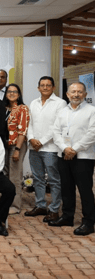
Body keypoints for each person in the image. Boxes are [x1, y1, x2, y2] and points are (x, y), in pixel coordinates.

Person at [50, 83, 95, 236]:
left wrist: (74, 149)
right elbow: (55, 132)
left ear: (85, 94)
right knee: (66, 188)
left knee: (85, 190)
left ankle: (89, 222)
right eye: (73, 91)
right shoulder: (62, 112)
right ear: (67, 94)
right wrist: (65, 149)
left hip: (83, 157)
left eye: (79, 92)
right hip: (64, 155)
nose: (76, 94)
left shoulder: (92, 111)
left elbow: (92, 134)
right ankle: (67, 217)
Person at [25, 76, 66, 222]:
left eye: (48, 85)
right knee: (38, 178)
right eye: (42, 85)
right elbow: (29, 123)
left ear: (53, 87)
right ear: (38, 87)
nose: (45, 87)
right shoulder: (34, 103)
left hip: (51, 148)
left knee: (54, 180)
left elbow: (57, 126)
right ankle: (41, 205)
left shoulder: (60, 103)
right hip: (34, 148)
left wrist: (41, 141)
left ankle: (54, 210)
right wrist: (31, 138)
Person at [2, 84, 30, 215]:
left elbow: (22, 130)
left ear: (19, 95)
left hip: (16, 145)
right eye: (9, 91)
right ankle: (5, 203)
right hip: (5, 145)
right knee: (5, 175)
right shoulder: (4, 108)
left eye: (15, 92)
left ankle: (15, 205)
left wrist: (17, 149)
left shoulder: (22, 108)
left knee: (15, 176)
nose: (12, 93)